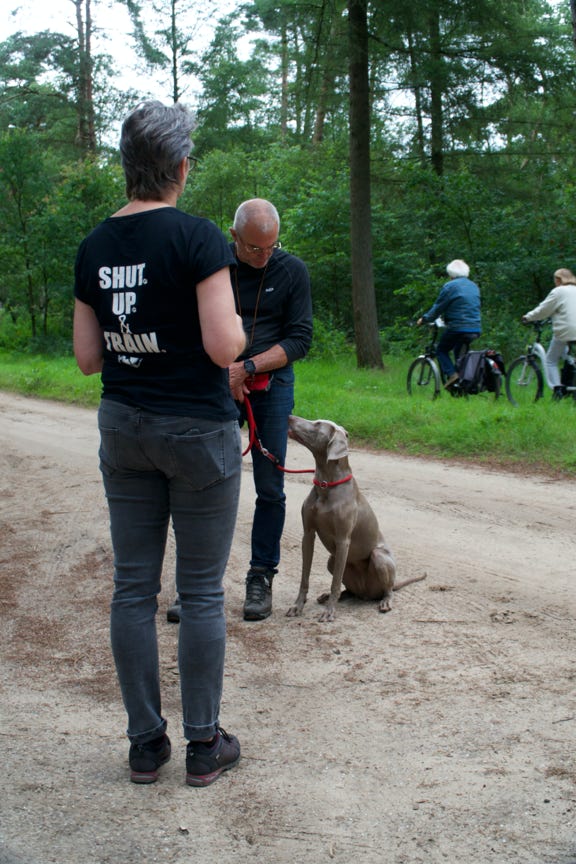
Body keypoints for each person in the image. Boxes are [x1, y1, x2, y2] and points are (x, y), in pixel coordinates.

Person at [73, 100, 247, 787]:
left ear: (127, 166)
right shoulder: (199, 237)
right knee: (201, 594)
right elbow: (222, 343)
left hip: (124, 427)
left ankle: (146, 744)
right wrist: (238, 338)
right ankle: (205, 747)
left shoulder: (93, 246)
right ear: (180, 166)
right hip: (197, 433)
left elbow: (89, 358)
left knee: (132, 590)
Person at [166, 199, 313, 624]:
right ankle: (194, 584)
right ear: (233, 237)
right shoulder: (211, 268)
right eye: (253, 249)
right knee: (202, 484)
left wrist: (248, 367)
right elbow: (189, 326)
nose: (263, 256)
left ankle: (260, 578)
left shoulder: (292, 271)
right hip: (215, 382)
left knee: (270, 487)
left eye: (270, 247)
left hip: (271, 383)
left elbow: (300, 339)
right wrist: (222, 371)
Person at [417, 259, 481, 387]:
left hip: (457, 327)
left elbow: (438, 307)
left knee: (441, 350)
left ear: (451, 274)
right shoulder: (474, 286)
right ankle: (461, 385)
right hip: (475, 328)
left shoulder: (450, 286)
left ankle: (452, 375)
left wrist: (424, 319)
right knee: (459, 354)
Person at [522, 267, 576, 400]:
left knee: (551, 360)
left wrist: (528, 317)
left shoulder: (558, 291)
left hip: (567, 330)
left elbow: (544, 309)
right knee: (568, 355)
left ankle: (557, 389)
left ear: (558, 280)